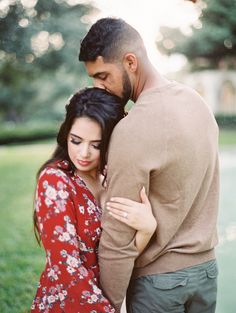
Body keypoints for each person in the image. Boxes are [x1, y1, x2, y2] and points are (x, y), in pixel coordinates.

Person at [79, 17, 220, 313]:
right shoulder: (197, 103)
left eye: (104, 76)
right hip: (207, 274)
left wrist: (108, 304)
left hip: (159, 285)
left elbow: (118, 233)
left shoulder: (133, 128)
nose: (99, 87)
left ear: (130, 61)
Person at [31, 87, 157, 312]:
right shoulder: (55, 181)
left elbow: (118, 254)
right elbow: (65, 270)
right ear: (65, 134)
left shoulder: (111, 178)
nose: (84, 153)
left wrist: (147, 230)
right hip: (71, 302)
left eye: (96, 145)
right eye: (76, 140)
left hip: (113, 295)